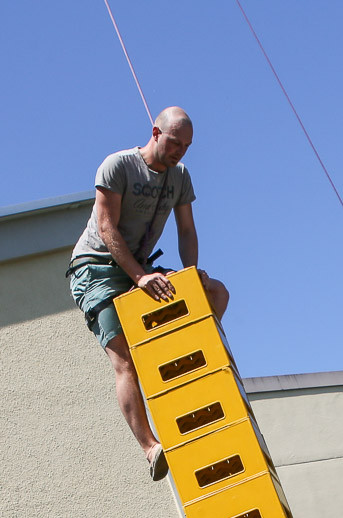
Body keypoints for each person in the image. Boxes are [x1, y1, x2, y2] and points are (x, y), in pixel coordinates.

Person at [67, 107, 230, 481]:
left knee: (215, 292)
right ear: (155, 132)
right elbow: (107, 228)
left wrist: (189, 274)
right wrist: (140, 277)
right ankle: (150, 447)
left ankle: (189, 363)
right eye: (175, 143)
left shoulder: (180, 177)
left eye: (187, 147)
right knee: (125, 359)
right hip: (97, 268)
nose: (180, 153)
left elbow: (186, 230)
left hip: (141, 267)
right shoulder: (118, 166)